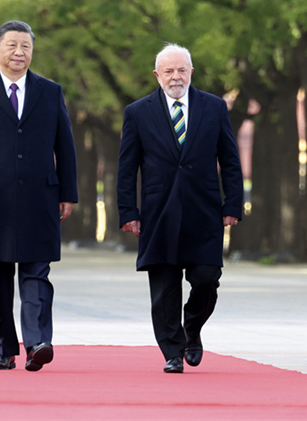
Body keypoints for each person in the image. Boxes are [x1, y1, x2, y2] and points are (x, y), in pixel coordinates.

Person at [0, 20, 78, 372]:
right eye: (12, 45)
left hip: (41, 197)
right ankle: (4, 348)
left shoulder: (50, 92)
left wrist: (68, 192)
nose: (19, 52)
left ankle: (37, 342)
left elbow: (64, 145)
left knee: (37, 272)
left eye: (26, 46)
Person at [117, 43, 243, 373]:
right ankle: (172, 351)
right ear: (157, 75)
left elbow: (229, 160)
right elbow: (127, 167)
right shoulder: (138, 112)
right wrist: (128, 211)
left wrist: (233, 203)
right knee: (163, 289)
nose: (176, 77)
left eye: (182, 70)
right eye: (169, 71)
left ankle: (193, 328)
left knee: (207, 279)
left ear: (191, 73)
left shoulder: (214, 107)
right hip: (158, 212)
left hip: (204, 211)